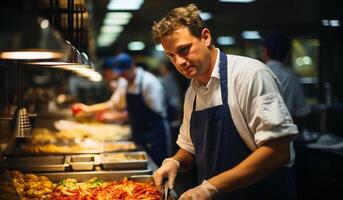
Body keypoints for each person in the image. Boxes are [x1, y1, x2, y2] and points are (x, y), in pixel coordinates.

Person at [152, 4, 298, 200]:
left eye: (184, 50)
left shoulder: (250, 75)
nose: (179, 62)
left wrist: (210, 187)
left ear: (205, 37)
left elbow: (278, 151)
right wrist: (175, 162)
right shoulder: (193, 92)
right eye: (171, 55)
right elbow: (189, 148)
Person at [72, 53, 172, 166]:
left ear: (132, 67)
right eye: (120, 73)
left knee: (159, 165)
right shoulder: (125, 83)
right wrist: (87, 109)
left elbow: (156, 112)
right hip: (138, 131)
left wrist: (120, 117)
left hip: (155, 133)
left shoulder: (149, 82)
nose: (122, 76)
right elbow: (113, 104)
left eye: (124, 72)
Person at [262, 32, 310, 130]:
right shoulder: (291, 77)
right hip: (286, 137)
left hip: (257, 138)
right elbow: (301, 112)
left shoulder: (258, 73)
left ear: (265, 51)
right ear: (287, 54)